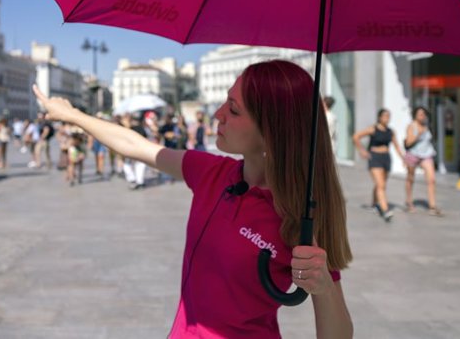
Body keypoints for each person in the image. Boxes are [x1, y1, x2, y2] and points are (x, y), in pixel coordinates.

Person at [33, 59, 353, 338]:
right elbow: (137, 146)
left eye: (234, 109)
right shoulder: (212, 173)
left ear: (271, 130)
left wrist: (323, 286)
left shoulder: (300, 215)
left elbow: (337, 335)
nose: (217, 113)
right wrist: (73, 115)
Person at [353, 108, 405, 222]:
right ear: (379, 117)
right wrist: (362, 150)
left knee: (380, 184)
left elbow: (396, 146)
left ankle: (374, 204)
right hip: (374, 158)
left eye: (389, 116)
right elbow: (356, 136)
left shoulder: (391, 131)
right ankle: (385, 210)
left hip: (386, 158)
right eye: (385, 116)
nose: (387, 118)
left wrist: (403, 158)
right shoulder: (373, 129)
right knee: (381, 185)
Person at [403, 106, 443, 216]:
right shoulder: (412, 126)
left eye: (424, 114)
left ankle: (432, 205)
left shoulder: (427, 125)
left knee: (431, 179)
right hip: (413, 154)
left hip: (427, 154)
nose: (422, 116)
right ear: (415, 115)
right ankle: (409, 201)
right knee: (410, 178)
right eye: (420, 114)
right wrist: (418, 134)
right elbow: (408, 143)